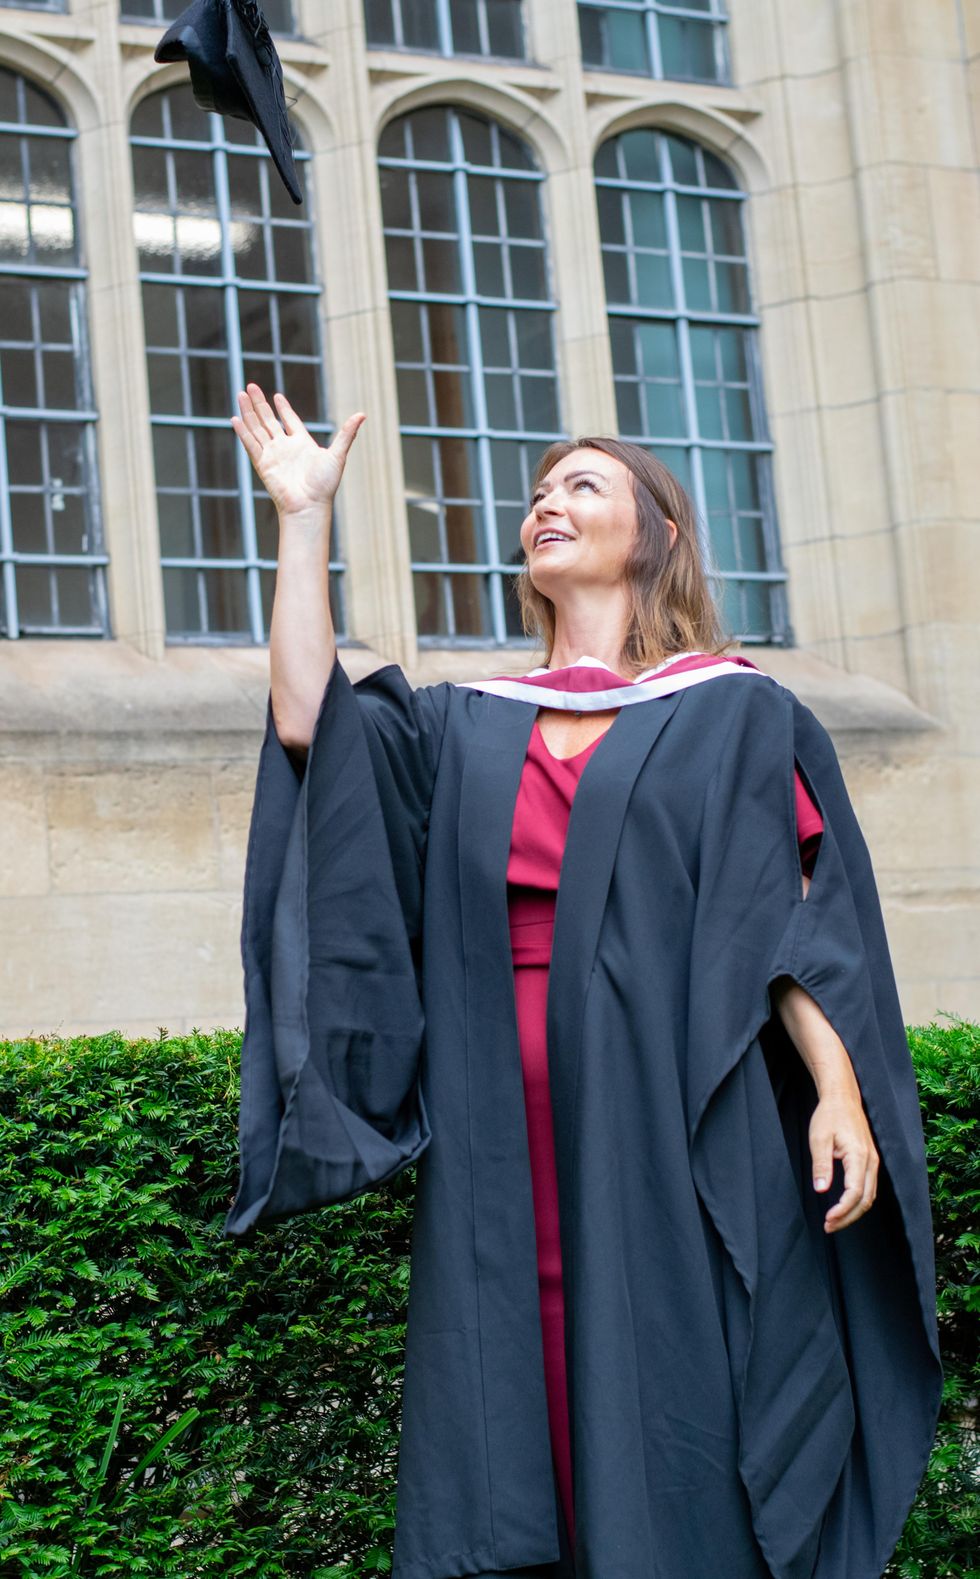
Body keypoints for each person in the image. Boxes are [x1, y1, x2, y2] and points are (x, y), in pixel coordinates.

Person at [225, 382, 943, 1579]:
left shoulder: (732, 711)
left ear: (651, 534)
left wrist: (836, 1089)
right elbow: (311, 725)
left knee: (676, 1364)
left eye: (583, 485)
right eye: (540, 490)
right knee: (517, 1380)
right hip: (496, 1122)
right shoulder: (464, 721)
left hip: (671, 1106)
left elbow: (792, 916)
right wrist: (305, 520)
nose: (547, 502)